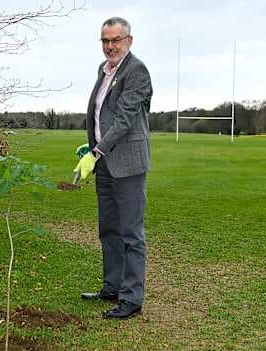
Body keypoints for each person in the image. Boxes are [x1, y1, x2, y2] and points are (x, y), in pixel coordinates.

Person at [80, 16, 153, 320]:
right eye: (105, 41)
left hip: (128, 163)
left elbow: (124, 119)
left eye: (116, 40)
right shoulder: (104, 69)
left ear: (129, 41)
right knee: (108, 229)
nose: (110, 46)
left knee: (130, 234)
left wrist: (97, 150)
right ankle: (112, 286)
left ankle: (131, 298)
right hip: (105, 162)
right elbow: (100, 114)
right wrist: (92, 146)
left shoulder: (136, 71)